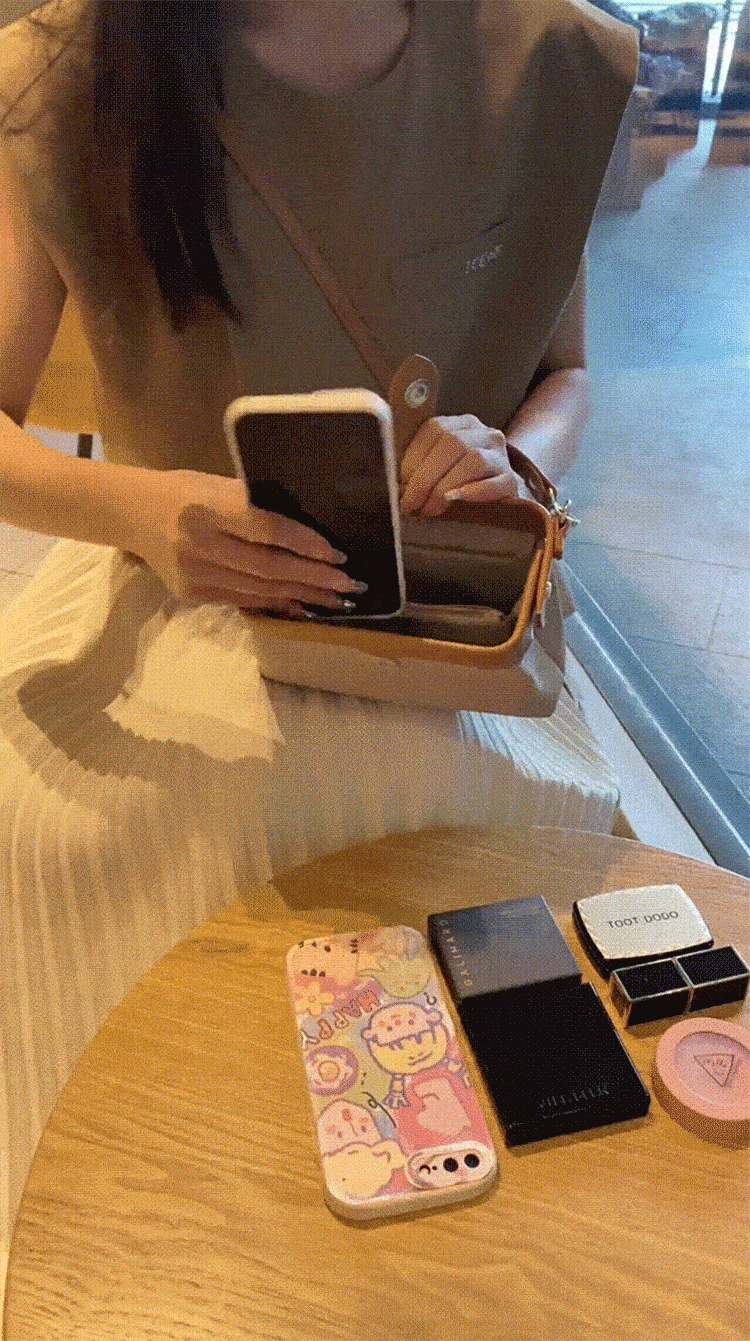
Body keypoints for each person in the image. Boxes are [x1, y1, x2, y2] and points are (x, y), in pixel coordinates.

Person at [0, 0, 638, 1250]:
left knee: (507, 840)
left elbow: (566, 373)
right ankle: (148, 1230)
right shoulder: (70, 74)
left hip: (448, 610)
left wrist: (512, 456)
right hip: (174, 593)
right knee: (74, 853)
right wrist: (143, 511)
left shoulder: (543, 56)